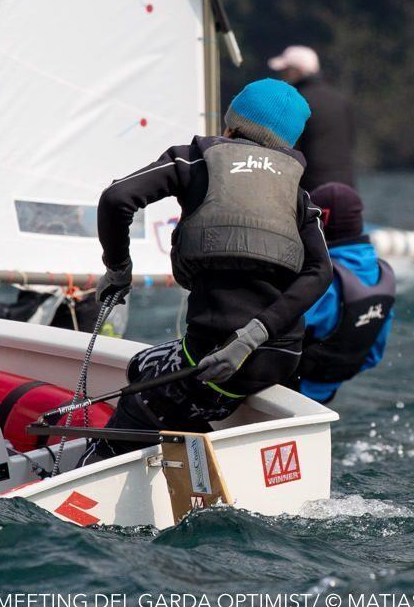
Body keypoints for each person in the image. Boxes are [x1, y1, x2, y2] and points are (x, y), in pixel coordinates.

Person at [84, 79, 333, 462]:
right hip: (279, 360)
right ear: (287, 145)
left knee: (135, 400)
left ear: (231, 124)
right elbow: (320, 271)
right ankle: (196, 445)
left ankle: (137, 458)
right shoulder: (297, 194)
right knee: (142, 365)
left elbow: (117, 198)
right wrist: (253, 336)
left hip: (214, 359)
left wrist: (118, 270)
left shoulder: (195, 160)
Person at [294, 183, 395, 405]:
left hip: (289, 391)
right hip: (326, 391)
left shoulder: (321, 280)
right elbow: (373, 356)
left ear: (319, 222)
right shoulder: (381, 273)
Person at [268, 44, 356, 192]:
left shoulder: (294, 102)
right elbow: (350, 141)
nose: (282, 77)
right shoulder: (340, 101)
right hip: (345, 189)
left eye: (285, 71)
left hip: (310, 191)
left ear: (298, 71)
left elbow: (287, 151)